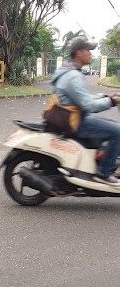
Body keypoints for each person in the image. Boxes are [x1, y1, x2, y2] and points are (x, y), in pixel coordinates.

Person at [50, 36, 120, 186]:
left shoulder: (70, 71)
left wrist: (105, 96)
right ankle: (104, 173)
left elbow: (83, 98)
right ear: (79, 53)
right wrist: (112, 101)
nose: (91, 54)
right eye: (88, 50)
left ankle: (101, 159)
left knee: (111, 125)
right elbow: (88, 105)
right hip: (76, 121)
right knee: (117, 132)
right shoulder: (73, 76)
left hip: (74, 116)